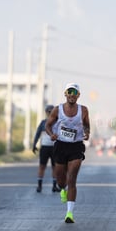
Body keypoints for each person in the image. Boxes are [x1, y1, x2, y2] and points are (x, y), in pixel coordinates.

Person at [45, 83, 90, 223]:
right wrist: (51, 134)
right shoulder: (57, 110)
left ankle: (69, 213)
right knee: (60, 179)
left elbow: (87, 124)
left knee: (72, 178)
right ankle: (61, 188)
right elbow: (48, 125)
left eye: (74, 92)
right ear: (65, 94)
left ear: (78, 95)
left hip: (76, 146)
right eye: (69, 92)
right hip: (61, 146)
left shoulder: (83, 110)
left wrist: (87, 132)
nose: (71, 94)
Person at [32, 105, 59, 193]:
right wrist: (34, 144)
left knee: (55, 167)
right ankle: (39, 186)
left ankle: (54, 186)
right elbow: (37, 134)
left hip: (55, 148)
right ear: (46, 113)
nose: (50, 113)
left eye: (52, 111)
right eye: (48, 111)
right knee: (42, 166)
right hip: (44, 147)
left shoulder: (58, 122)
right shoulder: (43, 123)